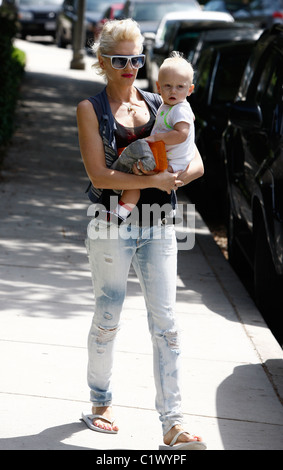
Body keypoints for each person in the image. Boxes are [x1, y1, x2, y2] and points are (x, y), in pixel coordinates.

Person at [76, 18, 206, 450]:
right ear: (103, 62)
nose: (130, 66)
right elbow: (99, 173)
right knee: (109, 315)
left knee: (166, 322)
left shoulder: (162, 101)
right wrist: (152, 181)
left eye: (137, 58)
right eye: (121, 59)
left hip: (159, 226)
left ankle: (174, 422)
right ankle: (100, 402)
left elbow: (197, 162)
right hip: (111, 223)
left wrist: (177, 177)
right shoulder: (89, 110)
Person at [114, 51, 195, 222]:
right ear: (158, 87)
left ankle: (119, 214)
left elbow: (182, 135)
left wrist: (157, 138)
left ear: (190, 89)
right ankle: (125, 210)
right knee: (137, 175)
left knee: (136, 176)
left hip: (173, 162)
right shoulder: (168, 106)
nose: (173, 91)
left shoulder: (180, 109)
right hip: (165, 157)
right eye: (167, 86)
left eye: (180, 87)